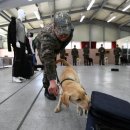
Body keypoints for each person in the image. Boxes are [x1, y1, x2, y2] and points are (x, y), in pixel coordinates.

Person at [35, 11, 74, 100]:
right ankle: (47, 88)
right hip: (41, 45)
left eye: (65, 34)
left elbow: (63, 43)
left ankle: (53, 78)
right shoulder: (47, 35)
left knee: (53, 64)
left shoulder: (71, 30)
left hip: (55, 45)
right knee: (48, 65)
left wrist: (60, 53)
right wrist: (52, 81)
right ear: (54, 28)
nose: (63, 36)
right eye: (60, 33)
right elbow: (48, 60)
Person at [7, 9, 27, 83]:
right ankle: (14, 76)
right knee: (17, 60)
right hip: (17, 43)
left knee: (22, 60)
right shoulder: (16, 22)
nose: (25, 14)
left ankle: (19, 75)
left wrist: (24, 46)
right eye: (24, 13)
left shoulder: (22, 23)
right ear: (20, 13)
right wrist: (16, 41)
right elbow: (13, 32)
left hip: (22, 44)